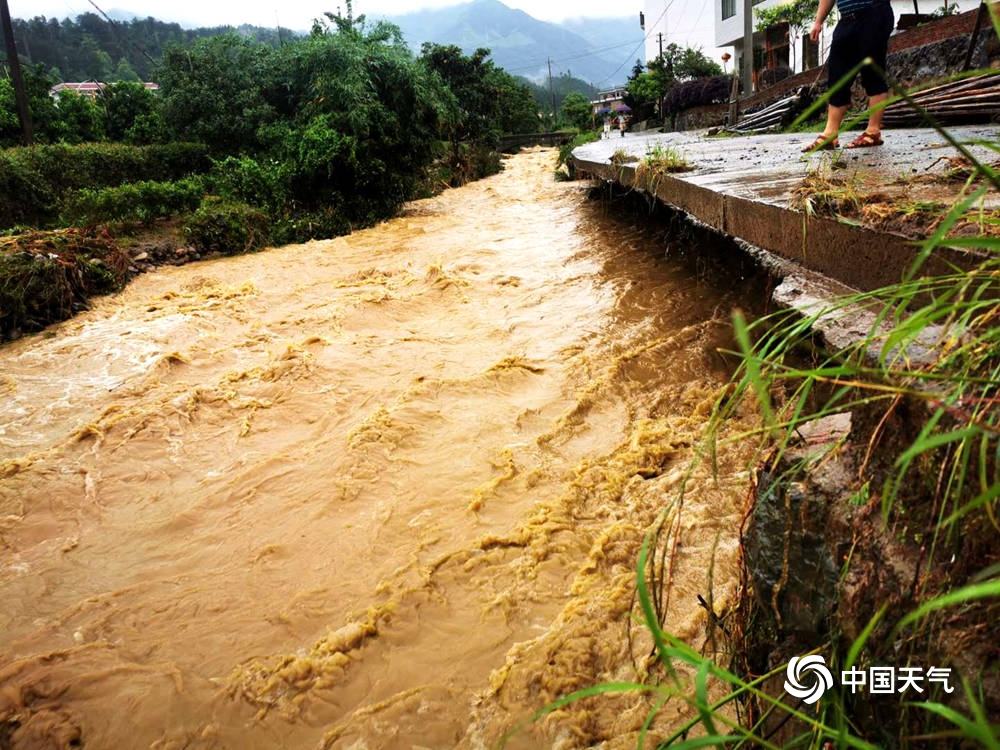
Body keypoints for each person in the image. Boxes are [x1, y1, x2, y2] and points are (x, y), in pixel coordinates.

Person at [802, 0, 894, 152]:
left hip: (874, 13)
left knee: (872, 71)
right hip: (846, 20)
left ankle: (873, 131)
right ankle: (830, 133)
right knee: (837, 75)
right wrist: (818, 21)